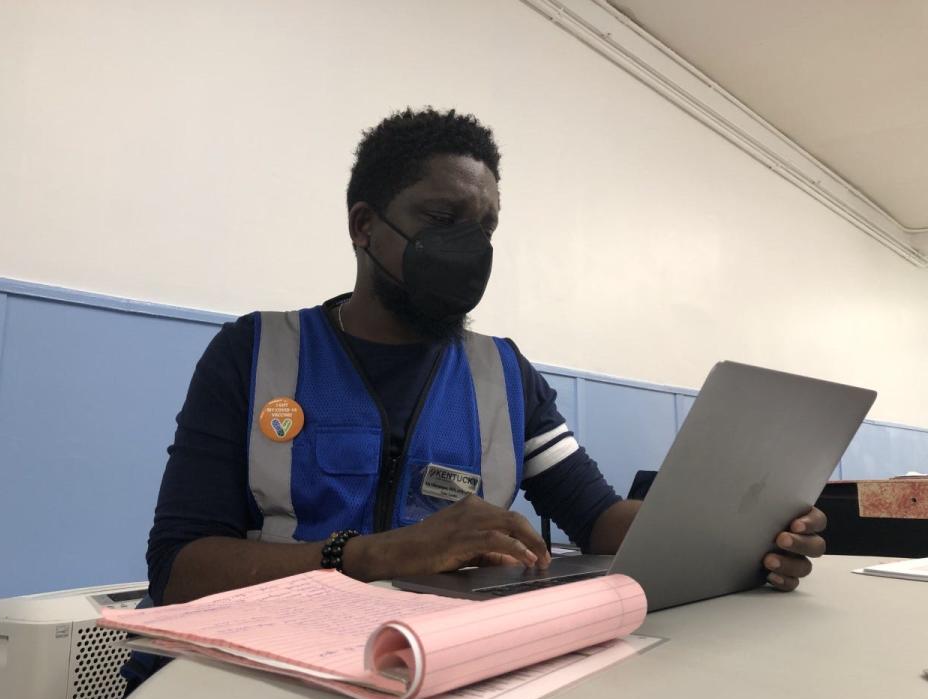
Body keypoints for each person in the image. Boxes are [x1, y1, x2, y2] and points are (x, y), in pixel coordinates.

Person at [145, 106, 825, 609]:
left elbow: (598, 517)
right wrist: (368, 556)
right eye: (444, 219)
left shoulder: (501, 373)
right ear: (363, 226)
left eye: (486, 226)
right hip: (259, 672)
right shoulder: (255, 353)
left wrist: (740, 535)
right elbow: (177, 567)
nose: (470, 247)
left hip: (437, 667)